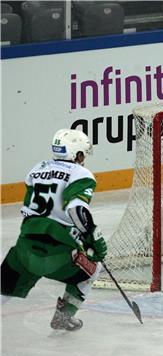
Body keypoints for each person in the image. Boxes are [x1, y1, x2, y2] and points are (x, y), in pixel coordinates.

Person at [1, 129, 107, 331]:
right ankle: (64, 316)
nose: (84, 158)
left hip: (26, 247)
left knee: (4, 287)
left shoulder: (37, 169)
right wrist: (93, 237)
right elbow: (75, 208)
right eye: (83, 153)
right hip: (59, 255)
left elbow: (33, 210)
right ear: (77, 154)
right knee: (94, 269)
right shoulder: (81, 174)